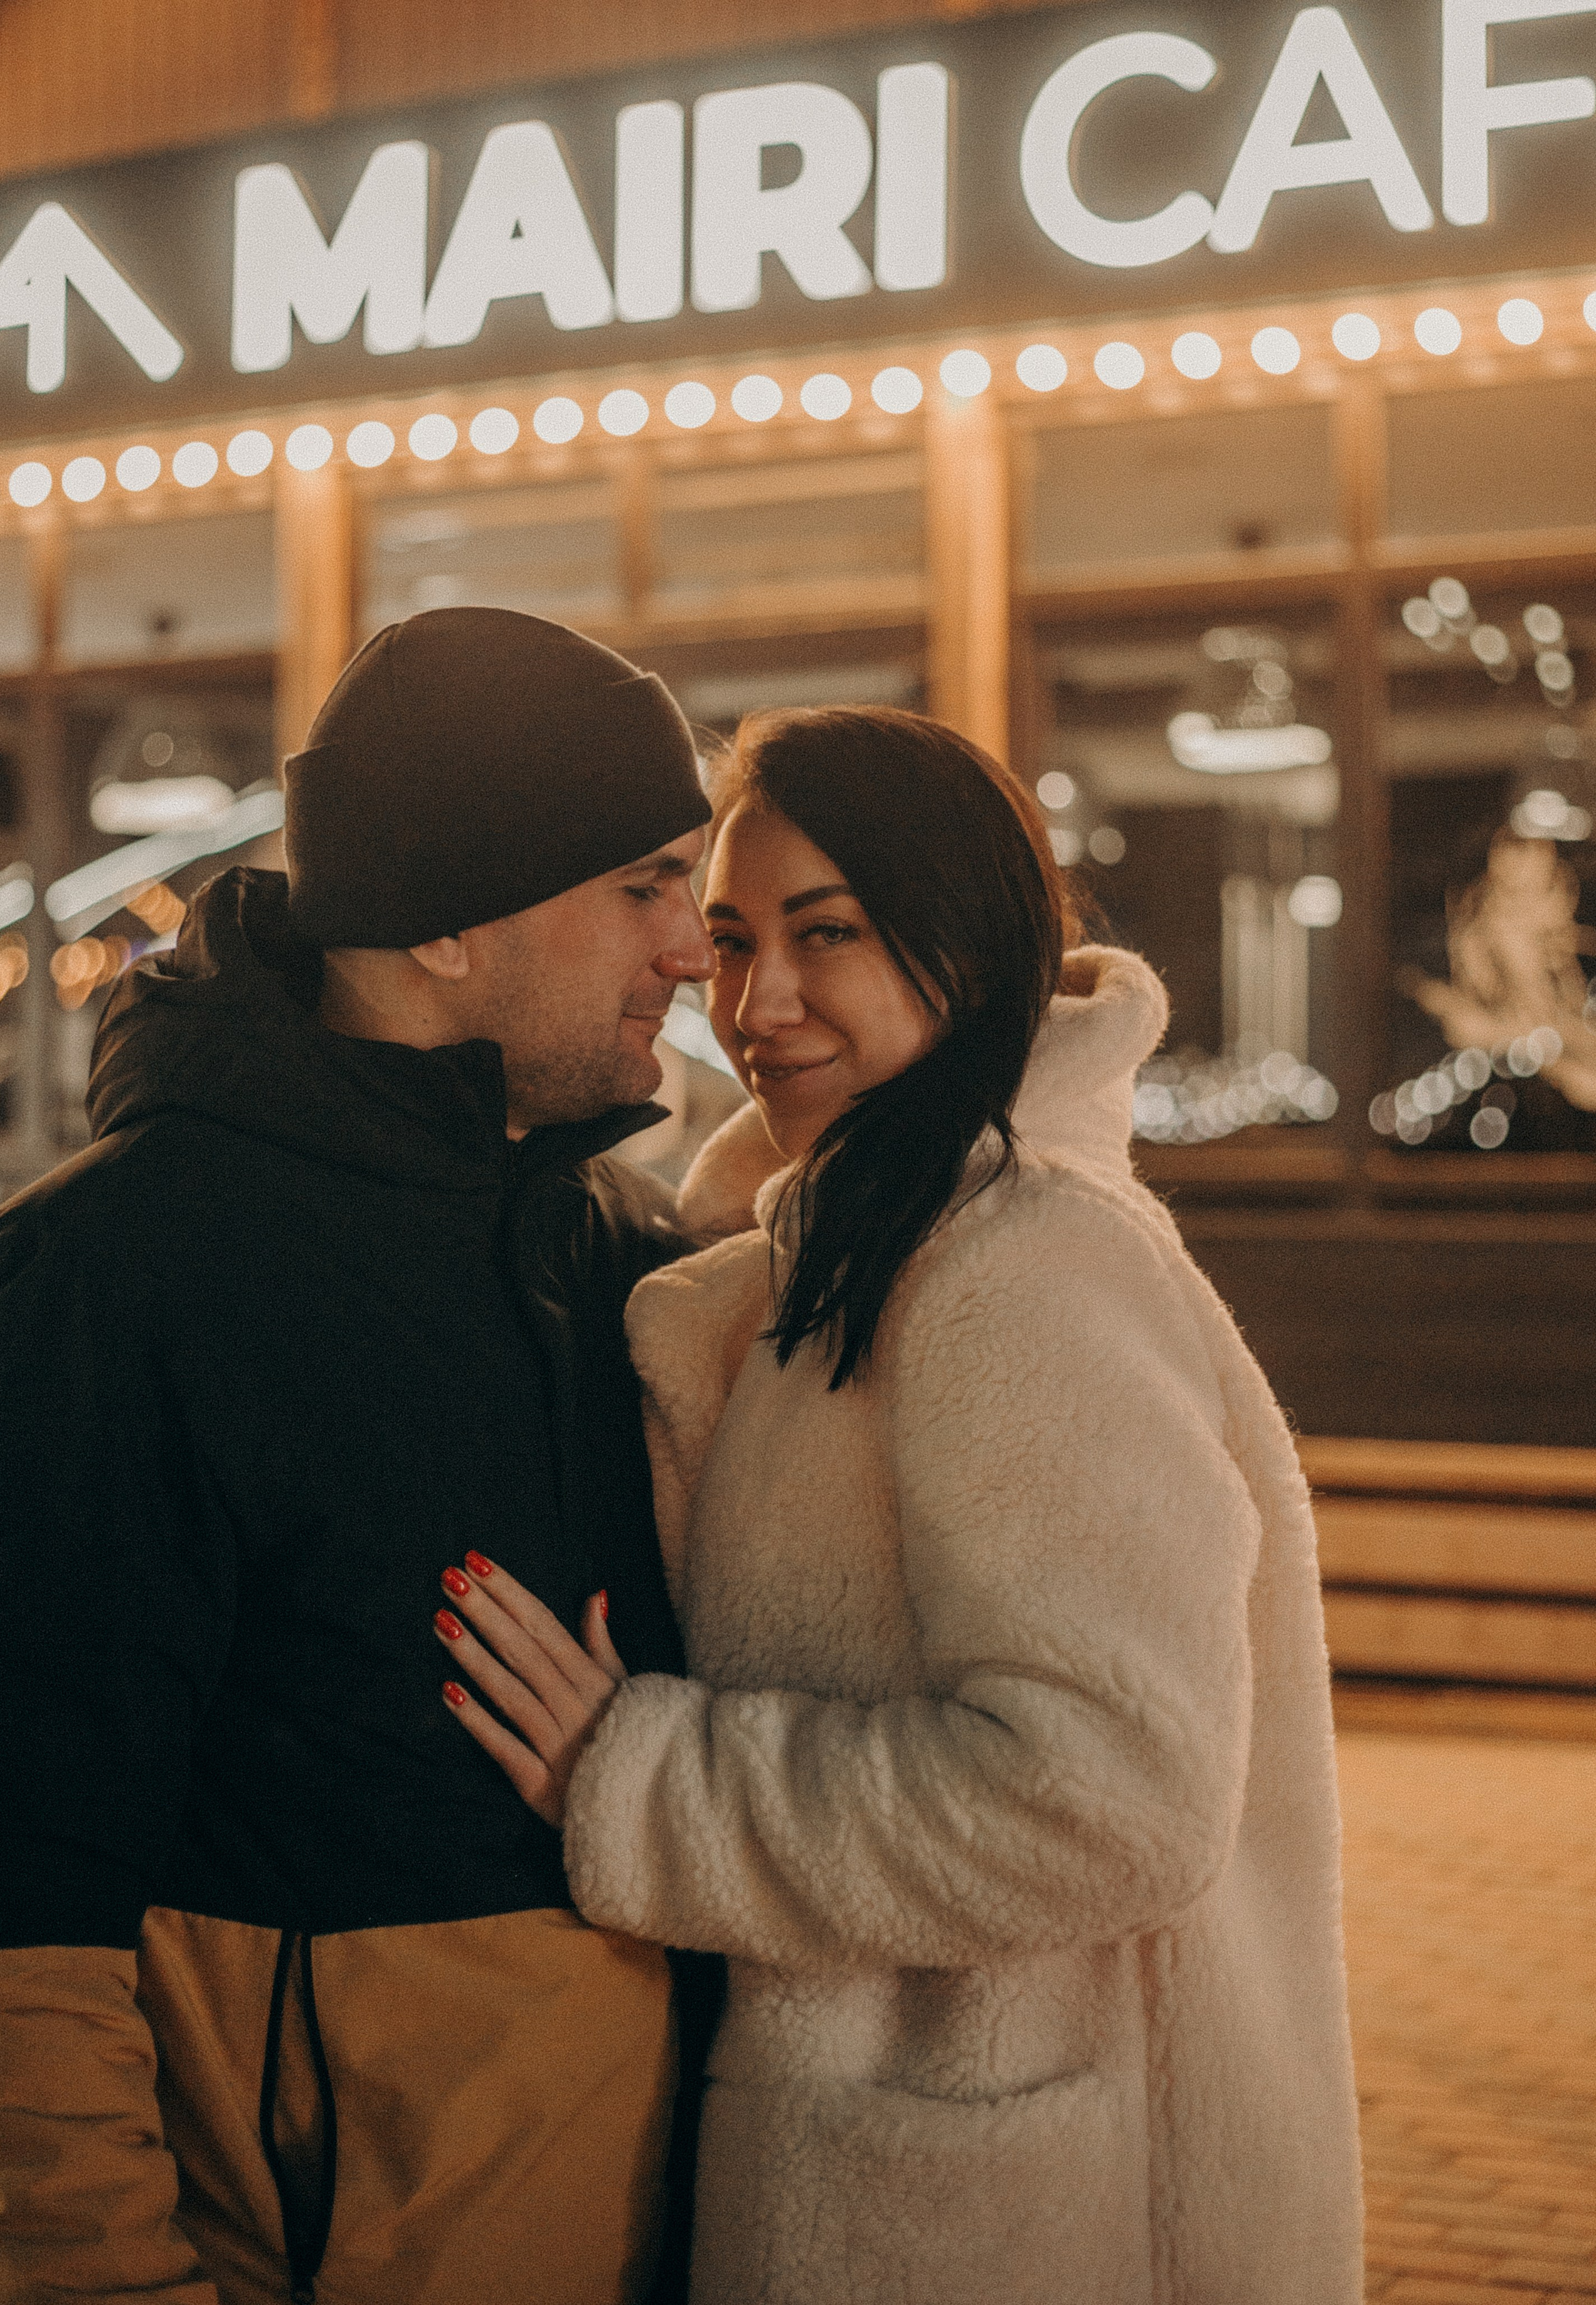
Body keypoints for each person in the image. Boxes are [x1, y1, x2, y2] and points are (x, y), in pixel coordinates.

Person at [428, 706, 1366, 2304]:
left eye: (827, 934)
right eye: (727, 940)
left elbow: (1107, 1794)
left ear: (965, 945)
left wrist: (643, 1778)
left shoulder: (1023, 1263)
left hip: (1028, 2212)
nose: (755, 1001)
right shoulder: (833, 1250)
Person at [0, 608, 721, 2305]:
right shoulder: (116, 1281)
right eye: (643, 888)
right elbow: (24, 1880)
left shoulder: (638, 1259)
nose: (693, 951)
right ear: (453, 917)